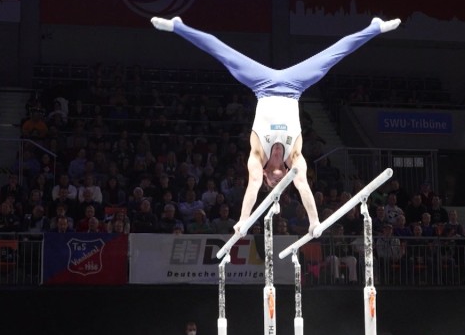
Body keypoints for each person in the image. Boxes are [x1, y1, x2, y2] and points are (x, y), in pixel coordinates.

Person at [152, 15, 400, 235]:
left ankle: (178, 26)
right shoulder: (295, 157)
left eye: (273, 180)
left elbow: (252, 187)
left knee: (221, 51)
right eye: (281, 178)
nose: (279, 176)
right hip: (294, 87)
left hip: (262, 86)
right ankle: (375, 28)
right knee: (334, 54)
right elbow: (302, 186)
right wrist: (315, 222)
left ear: (267, 175)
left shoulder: (257, 155)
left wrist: (243, 219)